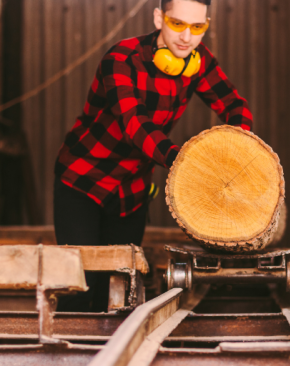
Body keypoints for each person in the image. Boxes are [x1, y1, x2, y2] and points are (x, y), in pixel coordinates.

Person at [54, 0, 253, 312]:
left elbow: (234, 104)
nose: (187, 37)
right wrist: (184, 163)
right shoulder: (122, 58)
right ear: (159, 18)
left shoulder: (199, 61)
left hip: (132, 191)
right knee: (80, 290)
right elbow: (135, 124)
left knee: (119, 291)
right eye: (177, 24)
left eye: (197, 27)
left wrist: (238, 146)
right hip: (83, 181)